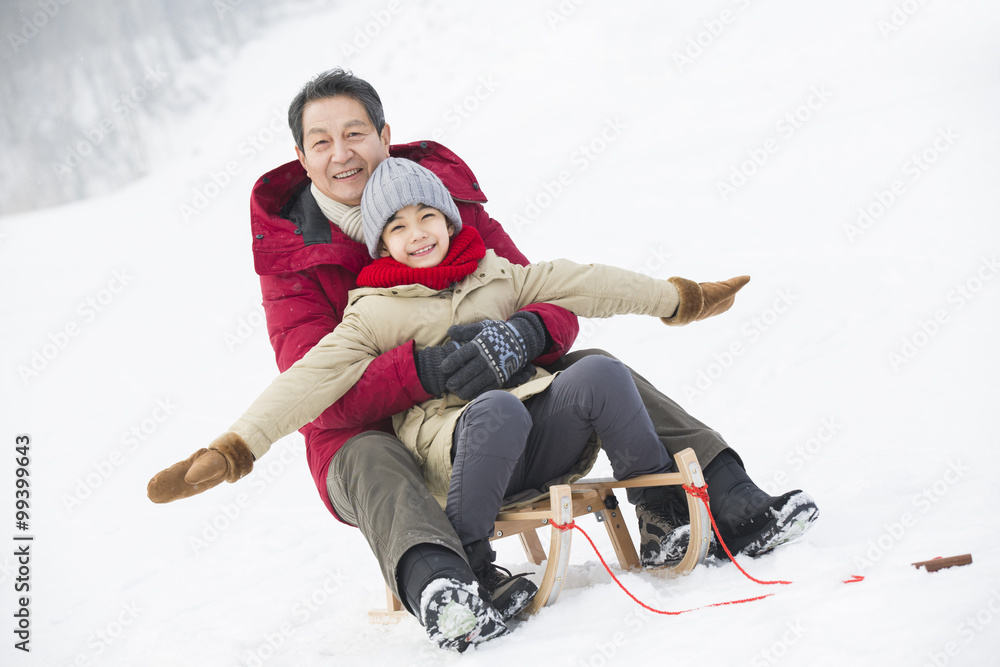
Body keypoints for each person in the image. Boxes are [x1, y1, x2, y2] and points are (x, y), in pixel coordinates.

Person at [147, 68, 818, 651]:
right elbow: (319, 385)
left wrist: (527, 334)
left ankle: (720, 497)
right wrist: (418, 372)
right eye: (321, 141)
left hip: (510, 416)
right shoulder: (297, 261)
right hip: (373, 436)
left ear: (384, 134)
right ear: (301, 155)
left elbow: (553, 289)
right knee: (365, 452)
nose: (341, 153)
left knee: (595, 365)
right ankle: (447, 582)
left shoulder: (449, 205)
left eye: (355, 133)